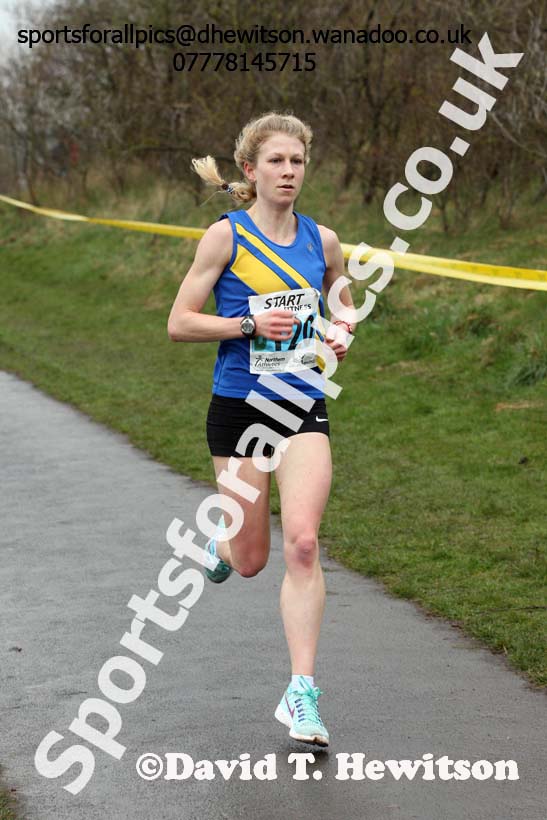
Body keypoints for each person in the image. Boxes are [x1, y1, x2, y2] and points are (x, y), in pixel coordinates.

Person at [167, 111, 355, 747]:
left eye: (297, 162)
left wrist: (343, 325)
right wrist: (247, 326)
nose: (288, 172)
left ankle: (302, 693)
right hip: (240, 407)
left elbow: (341, 287)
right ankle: (219, 549)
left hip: (300, 402)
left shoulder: (322, 239)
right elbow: (179, 322)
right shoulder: (225, 238)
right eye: (276, 161)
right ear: (251, 170)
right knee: (250, 560)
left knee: (302, 542)